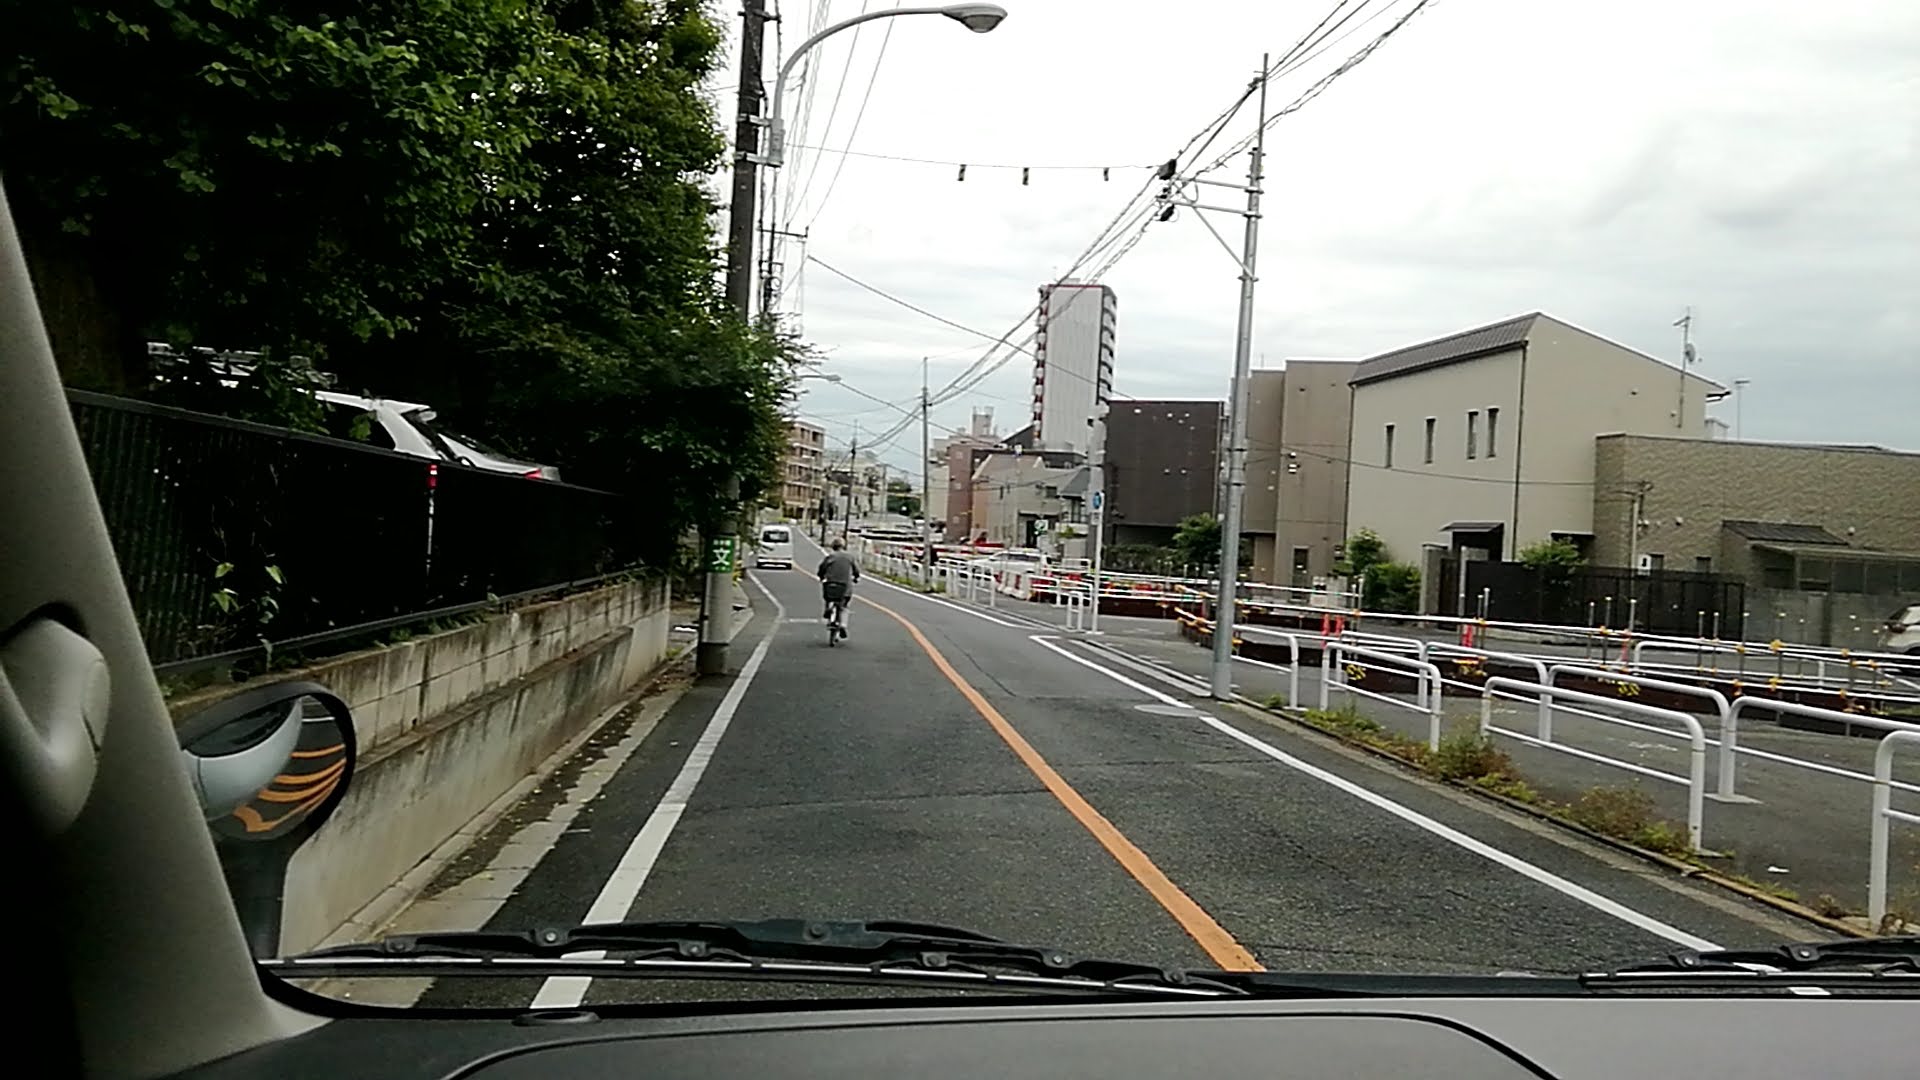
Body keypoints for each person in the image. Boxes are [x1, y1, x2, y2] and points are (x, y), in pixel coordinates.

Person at [818, 537, 860, 628]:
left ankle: (828, 608)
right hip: (845, 587)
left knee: (828, 597)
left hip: (831, 584)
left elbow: (822, 568)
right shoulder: (850, 557)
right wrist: (856, 577)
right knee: (844, 605)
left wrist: (821, 577)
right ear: (844, 546)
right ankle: (843, 625)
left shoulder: (830, 557)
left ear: (833, 546)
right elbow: (856, 570)